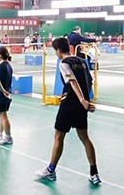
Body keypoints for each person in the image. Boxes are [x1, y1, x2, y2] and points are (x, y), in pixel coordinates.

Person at [35, 37, 100, 185]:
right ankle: (94, 173)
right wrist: (85, 100)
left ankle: (50, 171)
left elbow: (72, 81)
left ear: (58, 50)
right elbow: (89, 81)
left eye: (55, 51)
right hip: (81, 106)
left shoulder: (63, 63)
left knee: (59, 137)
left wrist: (81, 100)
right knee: (85, 138)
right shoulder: (81, 61)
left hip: (70, 105)